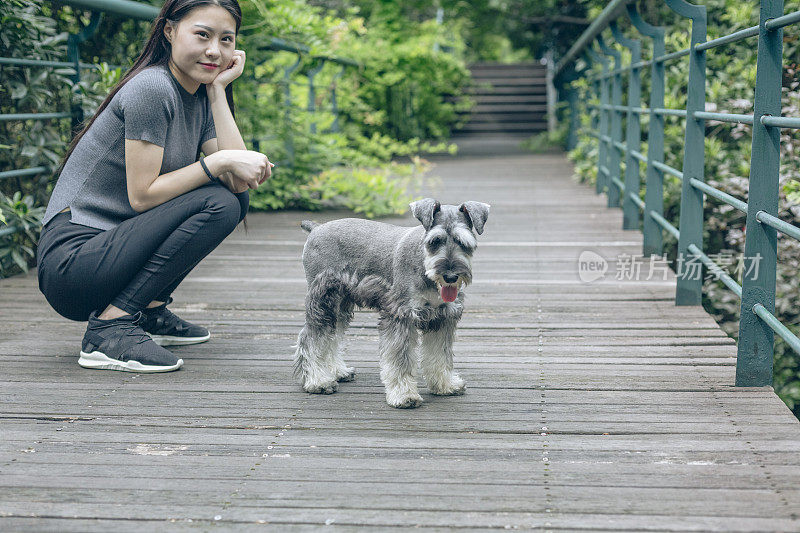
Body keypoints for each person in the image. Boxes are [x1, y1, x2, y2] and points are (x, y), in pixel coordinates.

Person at [36, 0, 272, 373]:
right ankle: (110, 328)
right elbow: (142, 195)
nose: (215, 50)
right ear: (169, 31)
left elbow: (240, 181)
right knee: (218, 201)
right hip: (72, 262)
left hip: (111, 251)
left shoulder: (196, 95)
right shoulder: (153, 88)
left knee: (232, 198)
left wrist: (218, 91)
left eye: (226, 40)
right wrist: (219, 161)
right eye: (203, 34)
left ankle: (147, 311)